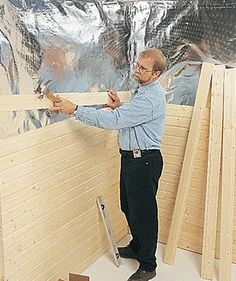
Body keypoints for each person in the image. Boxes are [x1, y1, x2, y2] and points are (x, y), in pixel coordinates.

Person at [51, 48, 167, 281]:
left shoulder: (151, 97)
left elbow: (116, 122)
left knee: (143, 214)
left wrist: (75, 110)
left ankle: (148, 265)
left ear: (155, 74)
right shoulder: (142, 91)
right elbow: (132, 119)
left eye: (143, 69)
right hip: (133, 159)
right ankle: (137, 246)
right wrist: (120, 107)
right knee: (128, 206)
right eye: (137, 65)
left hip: (143, 161)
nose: (137, 70)